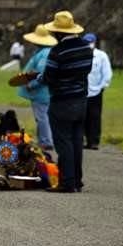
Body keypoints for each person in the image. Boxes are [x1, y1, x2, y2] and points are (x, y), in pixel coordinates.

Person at [39, 11, 93, 193]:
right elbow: (84, 72)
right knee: (77, 141)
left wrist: (39, 78)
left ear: (59, 33)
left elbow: (49, 77)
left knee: (64, 143)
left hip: (62, 101)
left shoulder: (58, 51)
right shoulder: (86, 48)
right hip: (81, 100)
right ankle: (77, 180)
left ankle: (67, 182)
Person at [16, 24, 57, 151]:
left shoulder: (44, 54)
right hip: (43, 91)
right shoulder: (44, 52)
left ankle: (46, 141)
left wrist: (31, 84)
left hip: (41, 92)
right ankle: (44, 140)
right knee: (42, 116)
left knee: (42, 117)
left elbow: (42, 73)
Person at [83, 33, 112, 150]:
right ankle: (84, 139)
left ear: (94, 42)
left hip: (96, 91)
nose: (88, 44)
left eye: (90, 42)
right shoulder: (80, 55)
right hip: (82, 91)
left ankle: (94, 141)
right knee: (82, 117)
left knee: (94, 117)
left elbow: (107, 73)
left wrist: (102, 86)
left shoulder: (101, 56)